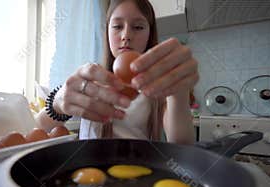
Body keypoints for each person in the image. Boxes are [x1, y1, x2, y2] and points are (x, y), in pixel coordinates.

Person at [36, 0, 198, 145]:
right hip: (90, 173)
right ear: (107, 32)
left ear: (150, 34)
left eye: (138, 27)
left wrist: (179, 93)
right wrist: (58, 102)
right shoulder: (89, 79)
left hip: (139, 172)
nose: (126, 35)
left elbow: (181, 143)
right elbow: (39, 127)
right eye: (117, 26)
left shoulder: (157, 87)